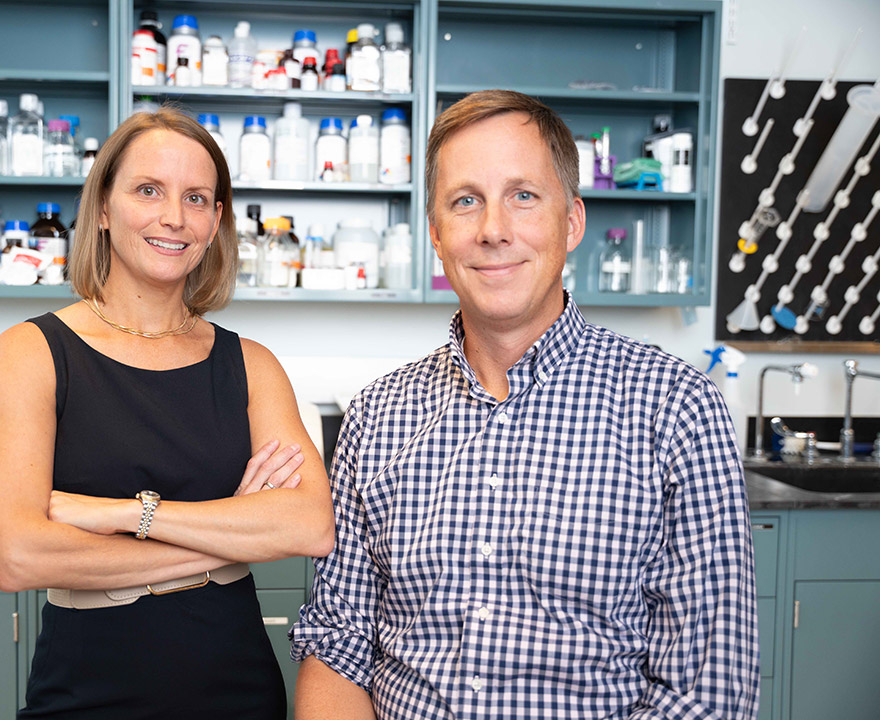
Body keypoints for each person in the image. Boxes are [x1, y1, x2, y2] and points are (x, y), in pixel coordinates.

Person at [290, 90, 759, 719]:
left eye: (524, 196)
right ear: (435, 234)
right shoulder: (376, 417)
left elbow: (707, 694)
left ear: (572, 223)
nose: (492, 230)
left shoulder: (677, 409)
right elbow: (336, 643)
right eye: (465, 202)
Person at [0, 108, 334, 720]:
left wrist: (117, 515)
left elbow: (308, 527)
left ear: (216, 220)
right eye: (149, 190)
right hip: (88, 688)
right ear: (105, 209)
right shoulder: (31, 353)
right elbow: (17, 556)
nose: (174, 217)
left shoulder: (251, 364)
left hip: (237, 687)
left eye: (197, 198)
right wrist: (231, 538)